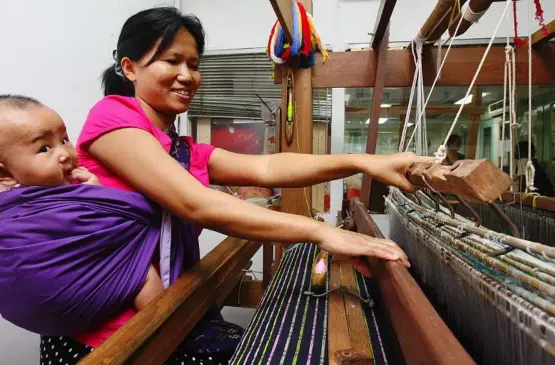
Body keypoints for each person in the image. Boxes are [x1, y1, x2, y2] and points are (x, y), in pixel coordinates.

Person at [39, 7, 432, 364]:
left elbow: (266, 168)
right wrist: (321, 233)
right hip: (107, 339)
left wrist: (362, 162)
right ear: (130, 68)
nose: (186, 75)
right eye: (171, 61)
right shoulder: (112, 119)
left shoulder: (181, 147)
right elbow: (197, 205)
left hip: (164, 316)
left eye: (193, 64)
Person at [0, 94, 164, 311]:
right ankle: (166, 331)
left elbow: (104, 225)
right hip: (58, 298)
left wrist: (95, 193)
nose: (65, 154)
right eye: (44, 149)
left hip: (82, 299)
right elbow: (120, 216)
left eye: (64, 140)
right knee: (143, 275)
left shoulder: (76, 185)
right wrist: (97, 197)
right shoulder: (15, 215)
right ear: (5, 174)